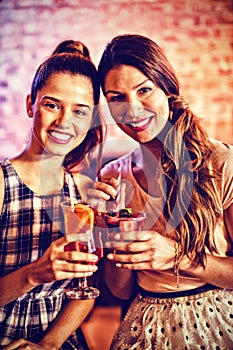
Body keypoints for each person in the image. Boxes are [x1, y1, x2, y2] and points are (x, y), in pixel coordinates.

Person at [89, 34, 233, 349]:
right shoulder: (114, 176)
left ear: (166, 88)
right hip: (145, 326)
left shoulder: (221, 162)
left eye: (144, 90)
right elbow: (121, 290)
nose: (133, 109)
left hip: (218, 322)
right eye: (117, 98)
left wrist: (175, 256)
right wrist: (107, 230)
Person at [0, 39, 103, 349]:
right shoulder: (3, 184)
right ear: (31, 103)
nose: (64, 122)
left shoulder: (84, 190)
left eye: (79, 111)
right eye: (52, 104)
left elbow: (86, 291)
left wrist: (47, 345)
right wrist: (33, 274)